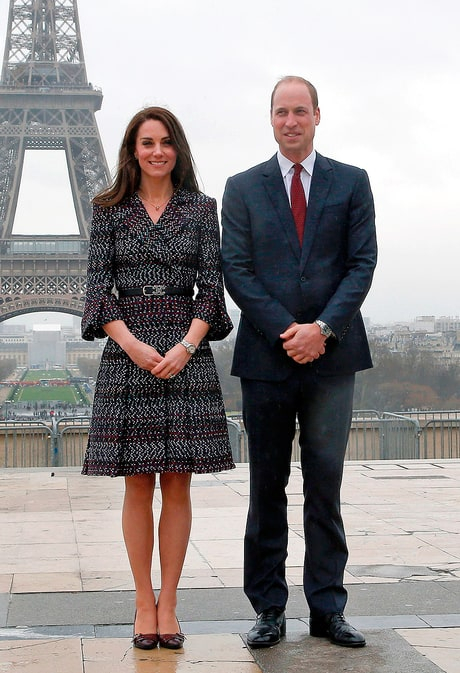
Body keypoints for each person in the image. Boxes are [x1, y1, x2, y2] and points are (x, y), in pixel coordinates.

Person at [221, 76, 377, 649]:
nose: (291, 121)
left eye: (300, 111)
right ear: (271, 119)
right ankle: (268, 608)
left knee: (326, 487)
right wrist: (290, 330)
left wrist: (323, 330)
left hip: (332, 360)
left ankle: (327, 609)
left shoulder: (353, 182)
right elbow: (236, 269)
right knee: (266, 488)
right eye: (281, 112)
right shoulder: (241, 188)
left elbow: (362, 263)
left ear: (318, 115)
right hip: (268, 356)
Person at [81, 106, 235, 650]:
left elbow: (212, 290)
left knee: (178, 483)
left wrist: (186, 345)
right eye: (147, 142)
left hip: (185, 350)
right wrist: (133, 344)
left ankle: (169, 600)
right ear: (132, 149)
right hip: (130, 351)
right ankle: (142, 601)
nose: (157, 151)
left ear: (178, 149)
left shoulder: (201, 208)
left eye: (166, 142)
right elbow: (98, 288)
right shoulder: (108, 210)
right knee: (137, 484)